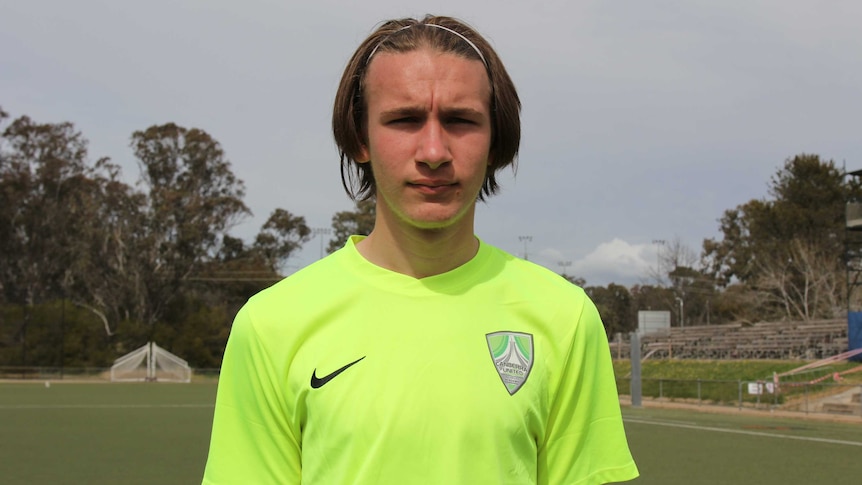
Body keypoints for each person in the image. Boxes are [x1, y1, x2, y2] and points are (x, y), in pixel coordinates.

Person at [203, 15, 638, 485]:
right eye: (405, 120)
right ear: (359, 139)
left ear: (496, 141)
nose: (434, 151)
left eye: (460, 120)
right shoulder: (270, 324)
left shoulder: (564, 318)